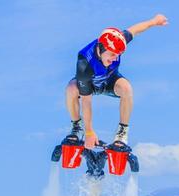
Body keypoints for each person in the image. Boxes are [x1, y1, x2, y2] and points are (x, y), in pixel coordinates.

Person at [65, 14, 168, 150]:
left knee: (126, 88)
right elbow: (86, 102)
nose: (115, 58)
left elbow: (135, 30)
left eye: (118, 55)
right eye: (112, 54)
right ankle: (76, 127)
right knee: (71, 88)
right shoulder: (85, 64)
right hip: (90, 84)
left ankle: (122, 132)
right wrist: (89, 132)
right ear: (100, 49)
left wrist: (154, 21)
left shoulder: (117, 40)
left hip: (109, 81)